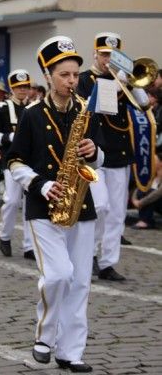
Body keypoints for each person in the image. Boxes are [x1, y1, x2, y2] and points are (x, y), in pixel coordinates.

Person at [5, 35, 103, 373]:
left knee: (80, 283)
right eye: (64, 75)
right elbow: (14, 161)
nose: (71, 81)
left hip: (81, 205)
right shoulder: (31, 115)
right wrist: (41, 184)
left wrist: (95, 152)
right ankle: (45, 336)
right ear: (47, 75)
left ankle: (71, 351)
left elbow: (100, 157)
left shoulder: (86, 111)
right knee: (59, 275)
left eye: (75, 75)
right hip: (43, 205)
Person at [77, 32, 149, 281]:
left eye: (113, 55)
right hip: (95, 151)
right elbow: (101, 106)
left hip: (119, 151)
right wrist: (117, 81)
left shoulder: (122, 79)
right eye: (105, 54)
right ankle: (91, 253)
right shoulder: (85, 79)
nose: (108, 59)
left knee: (117, 212)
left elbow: (143, 105)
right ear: (95, 54)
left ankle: (108, 262)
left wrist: (132, 82)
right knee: (100, 205)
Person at [0, 70, 34, 259]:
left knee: (30, 204)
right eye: (19, 87)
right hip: (10, 161)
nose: (23, 90)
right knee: (12, 201)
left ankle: (29, 246)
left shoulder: (33, 108)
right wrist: (12, 136)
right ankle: (5, 237)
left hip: (30, 163)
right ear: (12, 89)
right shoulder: (2, 108)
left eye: (25, 87)